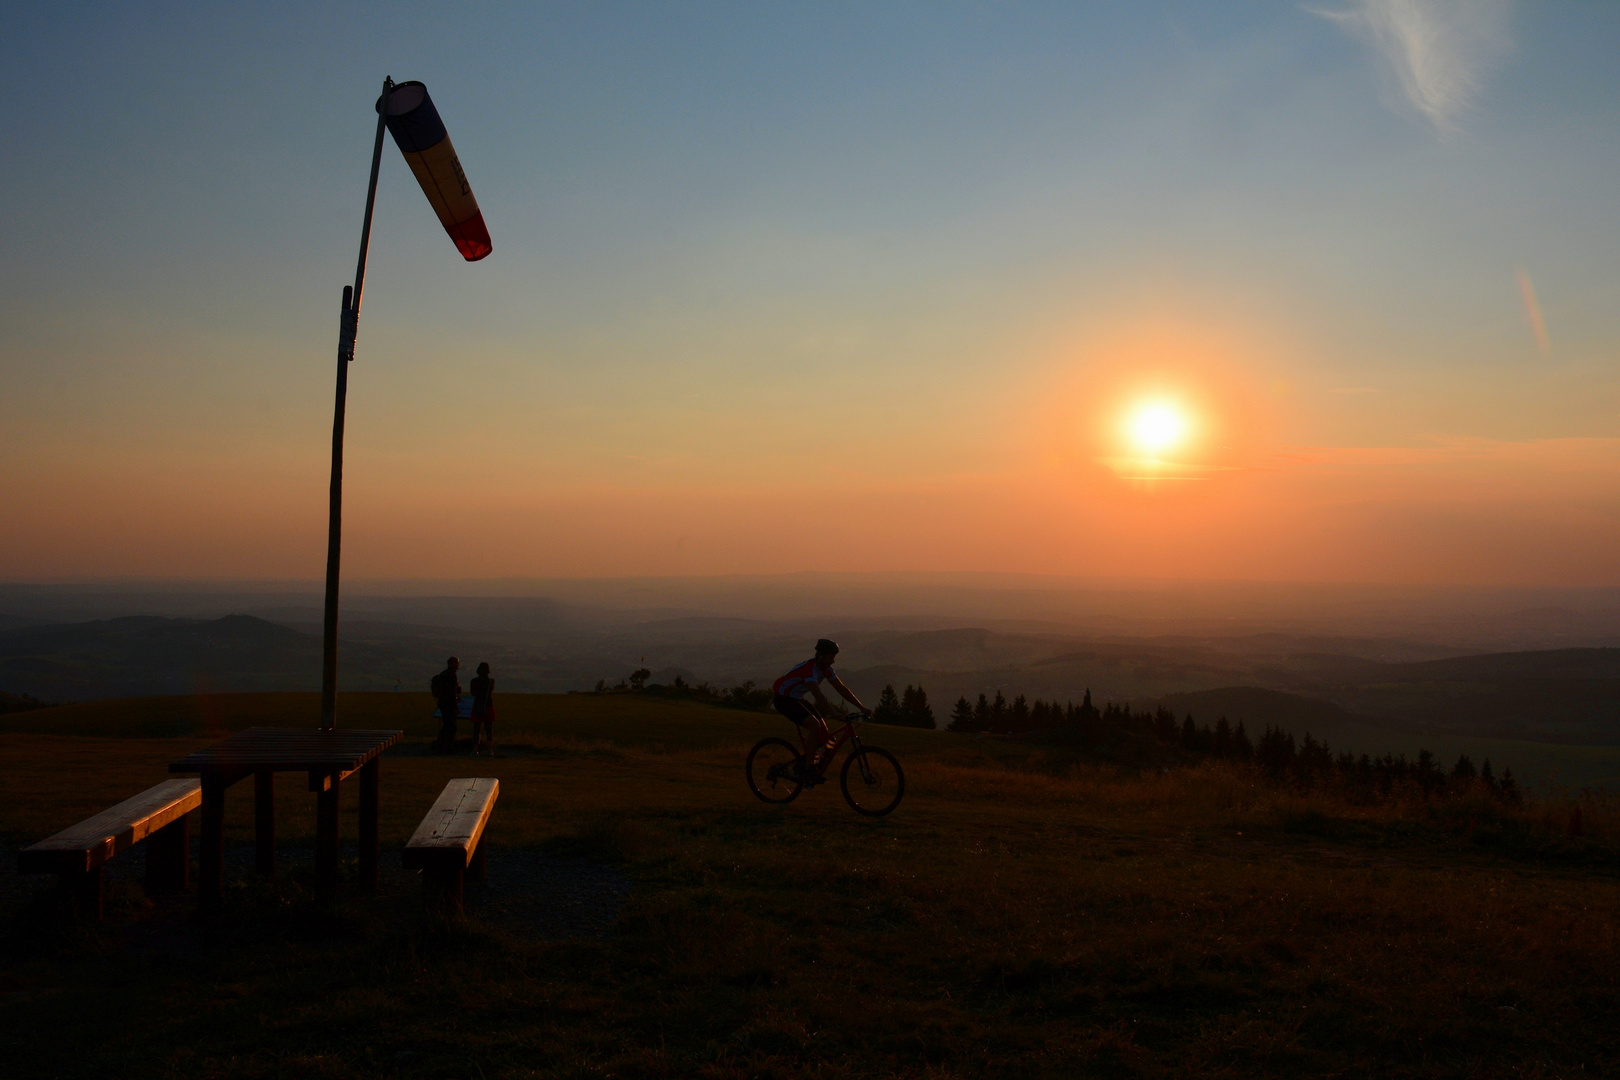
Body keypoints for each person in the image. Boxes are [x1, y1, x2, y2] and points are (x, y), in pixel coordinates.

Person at [772, 638, 870, 782]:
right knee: (814, 726)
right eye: (831, 657)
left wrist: (862, 707)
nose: (833, 661)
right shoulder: (809, 669)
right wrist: (834, 713)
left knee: (824, 733)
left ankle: (804, 764)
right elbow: (818, 695)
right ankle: (808, 768)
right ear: (821, 656)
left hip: (796, 698)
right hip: (783, 698)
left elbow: (841, 688)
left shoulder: (826, 669)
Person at [430, 655, 461, 753]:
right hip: (449, 705)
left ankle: (441, 745)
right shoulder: (451, 675)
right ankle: (447, 746)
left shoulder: (443, 674)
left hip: (443, 704)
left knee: (446, 725)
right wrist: (455, 706)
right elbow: (451, 693)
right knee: (451, 726)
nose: (458, 665)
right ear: (452, 664)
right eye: (457, 663)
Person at [470, 661, 496, 757]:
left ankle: (475, 750)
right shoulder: (491, 682)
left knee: (476, 729)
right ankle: (490, 750)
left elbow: (472, 693)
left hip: (477, 706)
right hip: (488, 706)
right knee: (488, 729)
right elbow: (490, 693)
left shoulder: (473, 681)